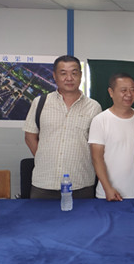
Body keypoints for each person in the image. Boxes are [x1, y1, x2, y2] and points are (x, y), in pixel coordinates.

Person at [23, 55, 102, 199]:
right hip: (44, 184)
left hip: (80, 184)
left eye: (74, 73)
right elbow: (30, 137)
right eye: (63, 73)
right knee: (39, 215)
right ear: (54, 76)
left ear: (80, 75)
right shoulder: (40, 102)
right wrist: (45, 159)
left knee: (82, 215)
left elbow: (97, 145)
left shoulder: (94, 107)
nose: (69, 78)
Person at [89, 73, 134, 201]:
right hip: (108, 194)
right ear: (111, 92)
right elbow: (97, 158)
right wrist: (107, 188)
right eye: (123, 90)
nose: (129, 94)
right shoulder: (100, 120)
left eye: (132, 90)